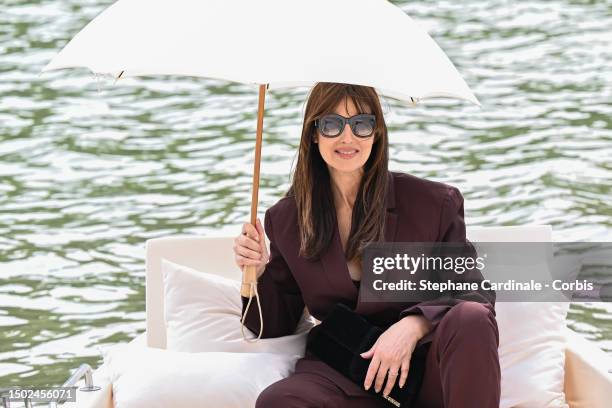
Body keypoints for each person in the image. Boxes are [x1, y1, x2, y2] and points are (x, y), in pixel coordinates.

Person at [233, 82, 500, 408]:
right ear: (313, 133)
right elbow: (272, 325)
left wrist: (412, 326)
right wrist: (255, 273)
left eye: (361, 124)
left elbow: (474, 292)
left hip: (427, 373)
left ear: (377, 134)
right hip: (344, 371)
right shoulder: (287, 219)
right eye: (332, 124)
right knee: (279, 401)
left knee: (470, 317)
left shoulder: (433, 203)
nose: (347, 137)